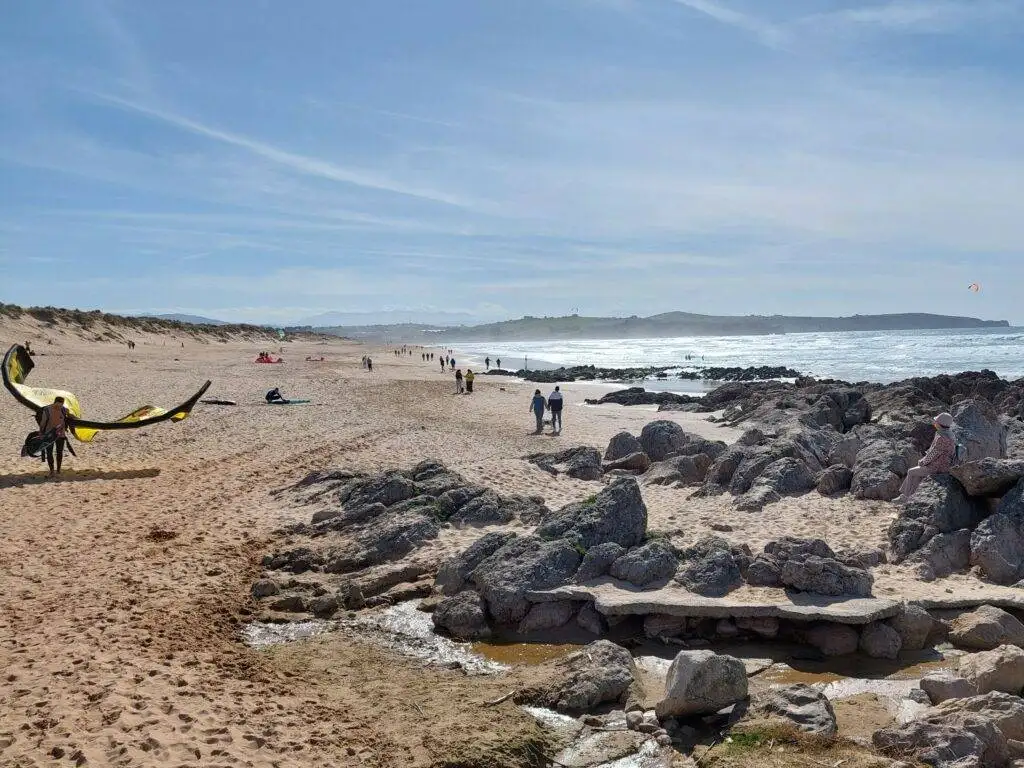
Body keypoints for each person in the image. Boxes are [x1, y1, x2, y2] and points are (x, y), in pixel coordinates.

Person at [898, 412, 957, 502]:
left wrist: (923, 461)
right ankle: (910, 496)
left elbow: (933, 454)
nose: (934, 423)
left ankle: (905, 496)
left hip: (937, 467)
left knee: (911, 471)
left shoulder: (942, 438)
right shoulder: (950, 435)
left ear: (939, 424)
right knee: (917, 474)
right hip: (945, 465)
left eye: (936, 421)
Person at [37, 396, 69, 476]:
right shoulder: (47, 410)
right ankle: (51, 471)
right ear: (55, 402)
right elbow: (43, 423)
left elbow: (67, 418)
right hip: (49, 435)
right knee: (49, 453)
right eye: (58, 405)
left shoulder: (63, 409)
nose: (59, 407)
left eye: (61, 405)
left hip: (60, 434)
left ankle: (58, 470)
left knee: (59, 452)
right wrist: (40, 432)